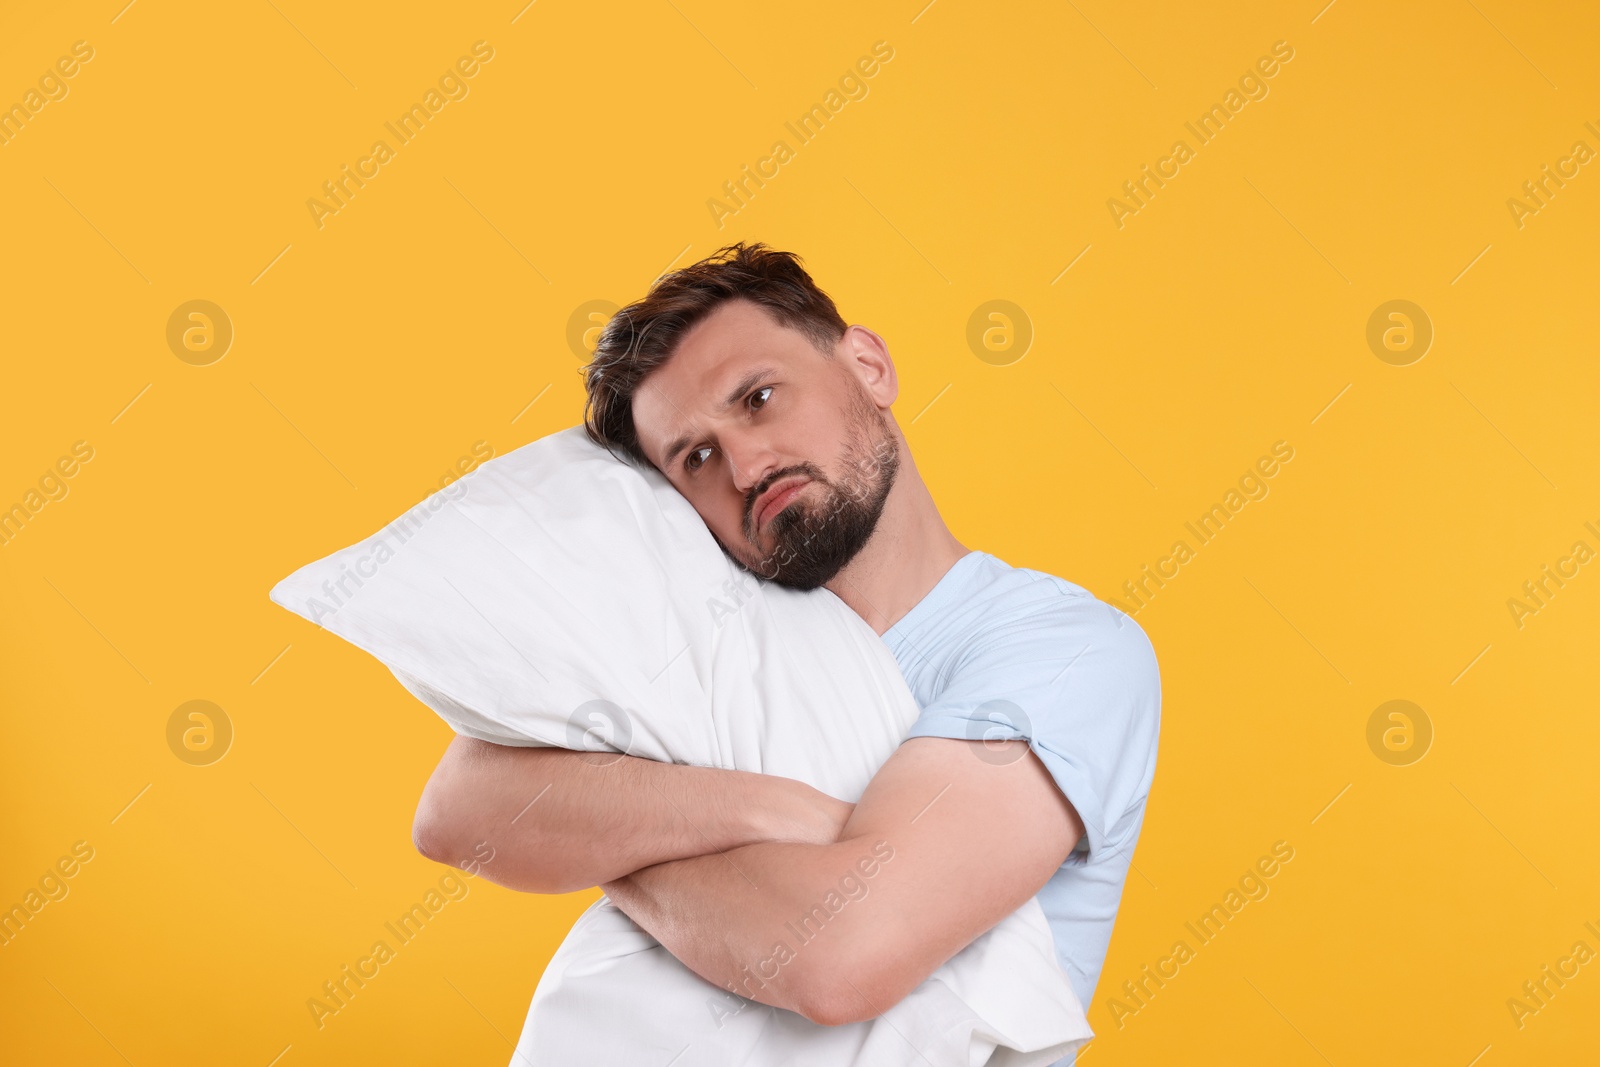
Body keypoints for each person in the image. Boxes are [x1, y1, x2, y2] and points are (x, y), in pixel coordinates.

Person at [412, 242, 1160, 1052]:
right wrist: (772, 810)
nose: (743, 464)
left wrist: (611, 832)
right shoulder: (702, 629)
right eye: (694, 457)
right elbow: (459, 809)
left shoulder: (1063, 649)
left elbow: (840, 956)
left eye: (759, 398)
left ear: (869, 366)